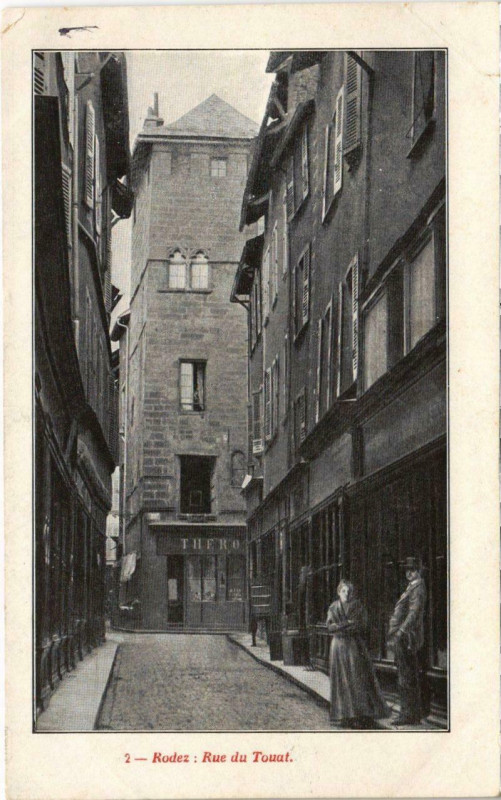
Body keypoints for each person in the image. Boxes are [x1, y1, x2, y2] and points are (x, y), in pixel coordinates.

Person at [326, 580, 390, 729]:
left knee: (355, 679)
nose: (346, 594)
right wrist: (346, 624)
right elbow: (330, 626)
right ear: (338, 592)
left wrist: (342, 626)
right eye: (343, 591)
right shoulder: (333, 607)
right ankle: (343, 715)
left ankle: (357, 715)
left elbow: (360, 625)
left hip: (353, 646)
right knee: (340, 680)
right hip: (337, 647)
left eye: (349, 591)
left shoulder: (357, 606)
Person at [388, 556, 426, 725]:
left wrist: (401, 631)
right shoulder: (412, 586)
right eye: (407, 570)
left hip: (407, 638)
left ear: (418, 571)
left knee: (406, 676)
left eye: (412, 570)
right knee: (406, 674)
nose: (409, 573)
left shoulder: (417, 588)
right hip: (404, 637)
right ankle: (411, 713)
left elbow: (413, 613)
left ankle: (407, 715)